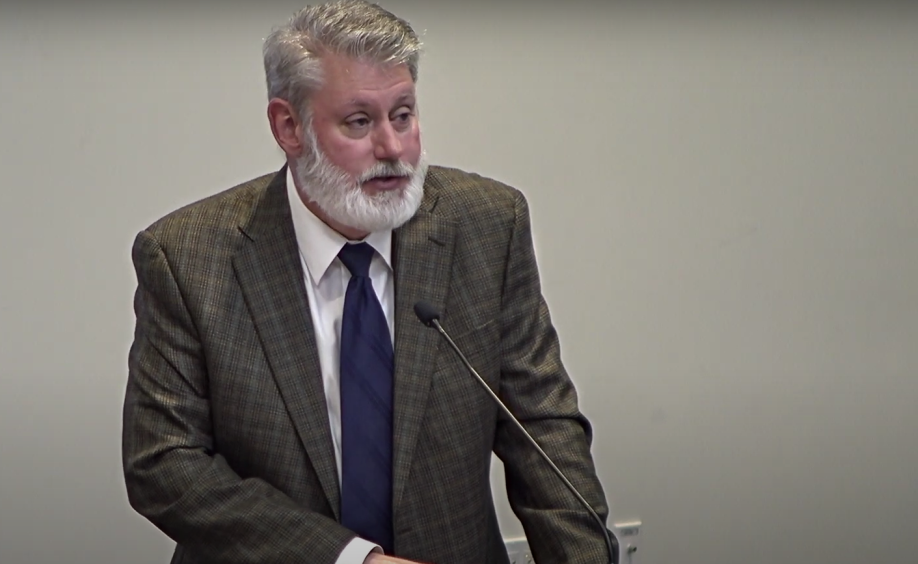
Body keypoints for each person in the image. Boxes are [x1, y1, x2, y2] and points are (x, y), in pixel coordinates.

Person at [122, 1, 612, 562]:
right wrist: (352, 559)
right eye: (359, 122)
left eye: (402, 115)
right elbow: (164, 463)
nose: (393, 149)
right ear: (289, 126)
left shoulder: (487, 226)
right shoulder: (188, 257)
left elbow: (543, 430)